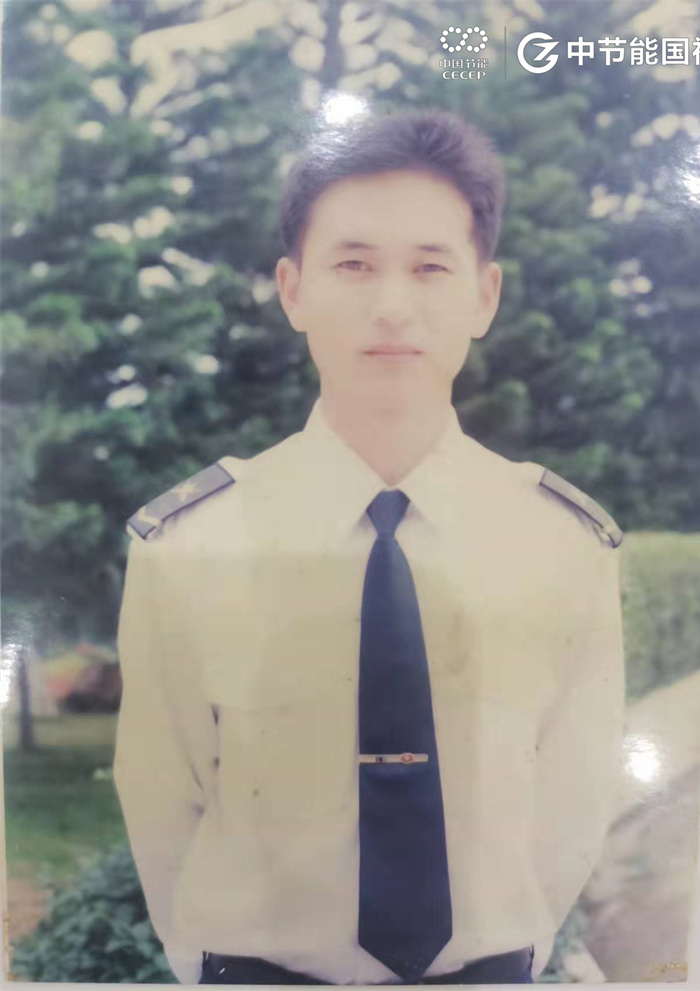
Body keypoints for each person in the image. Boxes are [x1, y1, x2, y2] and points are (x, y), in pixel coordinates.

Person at [114, 109, 626, 986]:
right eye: (352, 265)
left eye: (430, 267)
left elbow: (571, 801)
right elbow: (163, 799)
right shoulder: (190, 546)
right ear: (292, 290)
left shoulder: (561, 544)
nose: (392, 305)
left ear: (483, 296)